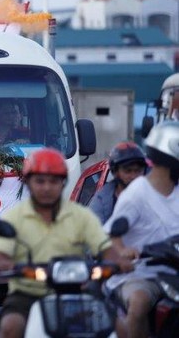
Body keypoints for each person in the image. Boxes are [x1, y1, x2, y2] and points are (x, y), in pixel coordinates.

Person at [0, 148, 131, 338]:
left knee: (121, 328)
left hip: (79, 290)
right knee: (11, 326)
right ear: (29, 182)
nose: (47, 187)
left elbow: (105, 248)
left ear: (62, 183)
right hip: (28, 293)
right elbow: (0, 257)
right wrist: (12, 267)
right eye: (40, 181)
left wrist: (118, 261)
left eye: (53, 181)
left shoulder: (81, 216)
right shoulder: (13, 218)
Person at [104, 121, 179, 338]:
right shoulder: (137, 193)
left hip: (174, 272)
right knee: (138, 305)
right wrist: (123, 251)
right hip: (141, 273)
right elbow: (111, 235)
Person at [89, 141, 147, 223]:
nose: (133, 176)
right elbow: (94, 232)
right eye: (128, 171)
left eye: (138, 171)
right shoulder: (101, 201)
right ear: (115, 172)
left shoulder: (153, 196)